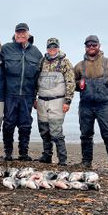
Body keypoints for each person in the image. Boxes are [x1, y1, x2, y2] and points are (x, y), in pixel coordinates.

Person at [74, 35, 108, 175]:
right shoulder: (79, 66)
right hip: (85, 105)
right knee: (86, 135)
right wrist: (79, 85)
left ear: (99, 46)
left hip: (104, 106)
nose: (91, 47)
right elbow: (71, 83)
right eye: (88, 45)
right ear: (85, 47)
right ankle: (86, 162)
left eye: (94, 45)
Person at [0, 23, 43, 161]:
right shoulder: (6, 49)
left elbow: (39, 77)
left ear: (28, 34)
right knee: (8, 123)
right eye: (18, 32)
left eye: (23, 32)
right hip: (9, 95)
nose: (20, 34)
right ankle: (8, 152)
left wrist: (36, 97)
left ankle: (23, 153)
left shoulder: (36, 53)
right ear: (14, 34)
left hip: (27, 95)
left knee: (25, 124)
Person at [35, 38, 75, 166]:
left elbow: (70, 82)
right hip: (41, 101)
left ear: (58, 47)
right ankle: (47, 155)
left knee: (56, 131)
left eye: (54, 47)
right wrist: (34, 99)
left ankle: (62, 159)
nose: (52, 49)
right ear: (47, 48)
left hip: (57, 101)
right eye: (50, 47)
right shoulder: (42, 61)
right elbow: (36, 81)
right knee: (44, 130)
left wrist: (67, 101)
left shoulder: (65, 62)